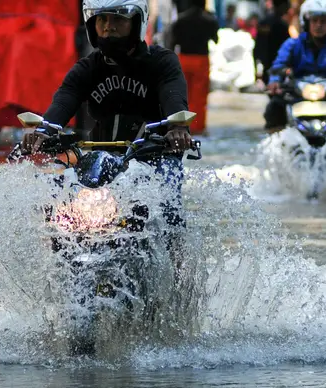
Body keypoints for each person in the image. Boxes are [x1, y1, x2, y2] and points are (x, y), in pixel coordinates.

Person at [19, 0, 194, 267]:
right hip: (100, 159)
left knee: (169, 205)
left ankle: (179, 276)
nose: (109, 27)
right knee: (57, 199)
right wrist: (43, 131)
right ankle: (57, 275)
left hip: (154, 155)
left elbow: (173, 96)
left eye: (117, 19)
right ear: (92, 25)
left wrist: (177, 128)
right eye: (102, 20)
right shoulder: (88, 68)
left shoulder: (162, 62)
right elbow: (65, 98)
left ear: (137, 22)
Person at [263, 0, 326, 132]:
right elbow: (278, 65)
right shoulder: (292, 44)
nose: (319, 25)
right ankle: (275, 146)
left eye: (323, 21)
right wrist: (274, 82)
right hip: (297, 94)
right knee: (274, 107)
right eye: (315, 20)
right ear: (307, 22)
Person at [167, 0, 219, 135]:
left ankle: (180, 127)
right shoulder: (210, 20)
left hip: (183, 59)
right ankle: (197, 128)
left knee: (182, 94)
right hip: (201, 60)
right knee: (199, 96)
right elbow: (216, 39)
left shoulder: (180, 20)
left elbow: (172, 43)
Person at [254, 0, 292, 85]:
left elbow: (258, 45)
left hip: (265, 63)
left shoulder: (264, 22)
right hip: (276, 64)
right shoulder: (281, 25)